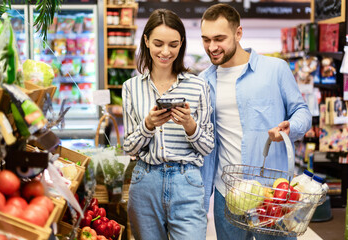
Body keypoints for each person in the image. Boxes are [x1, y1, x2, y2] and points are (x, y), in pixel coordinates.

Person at [199, 3, 312, 240]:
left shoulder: (275, 69)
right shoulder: (204, 81)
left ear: (238, 33)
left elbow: (302, 111)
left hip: (273, 191)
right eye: (206, 39)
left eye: (219, 38)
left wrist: (290, 127)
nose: (212, 47)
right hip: (226, 191)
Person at [122, 9, 214, 240]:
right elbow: (130, 148)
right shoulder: (131, 88)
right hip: (145, 182)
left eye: (173, 44)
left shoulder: (197, 86)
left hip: (187, 181)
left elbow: (207, 147)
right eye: (158, 43)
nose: (165, 52)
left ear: (181, 44)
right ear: (146, 41)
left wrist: (190, 125)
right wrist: (148, 125)